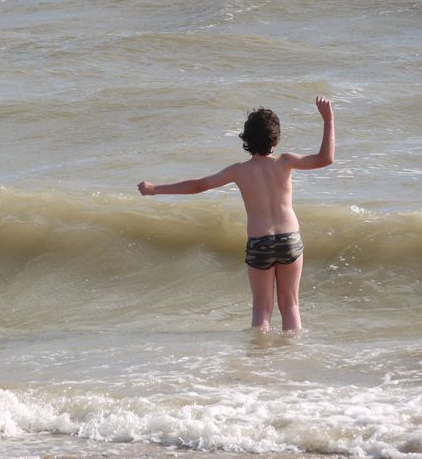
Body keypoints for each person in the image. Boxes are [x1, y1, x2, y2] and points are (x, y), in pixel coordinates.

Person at [138, 97, 335, 332]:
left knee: (262, 309)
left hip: (259, 242)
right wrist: (328, 120)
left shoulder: (239, 171)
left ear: (247, 140)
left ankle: (259, 363)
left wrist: (155, 189)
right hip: (289, 239)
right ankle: (290, 362)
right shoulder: (285, 162)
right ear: (276, 139)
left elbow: (199, 185)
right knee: (290, 305)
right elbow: (326, 158)